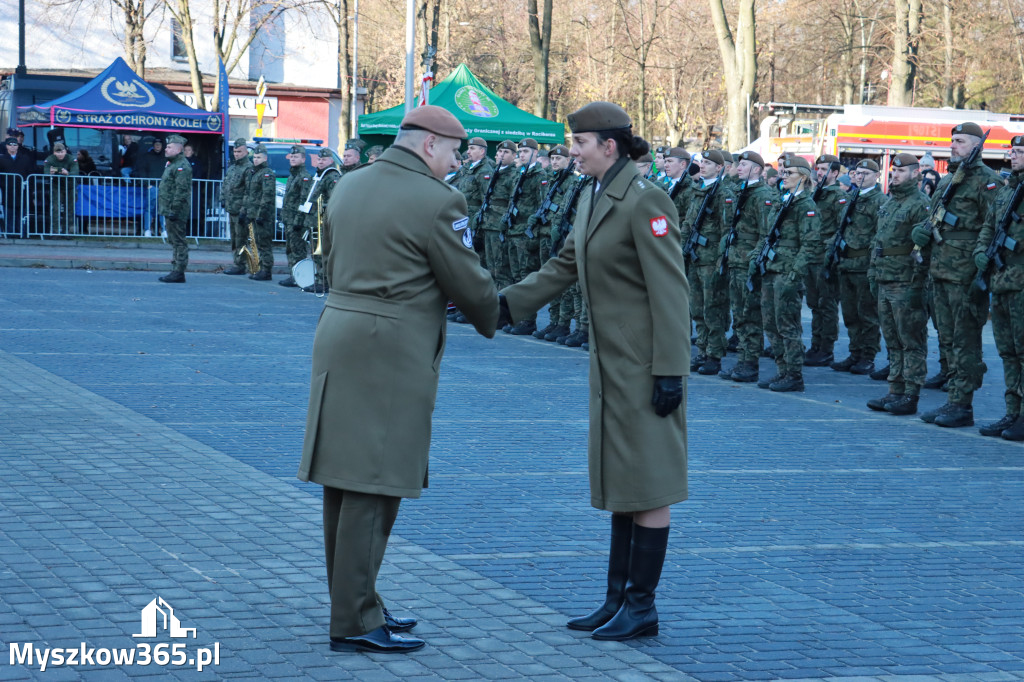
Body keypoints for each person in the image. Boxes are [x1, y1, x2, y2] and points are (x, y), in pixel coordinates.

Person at [297, 105, 499, 654]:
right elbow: (468, 280)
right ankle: (356, 620)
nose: (455, 163)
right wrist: (494, 313)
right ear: (430, 144)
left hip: (339, 331)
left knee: (343, 479)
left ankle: (358, 602)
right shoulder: (439, 201)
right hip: (389, 347)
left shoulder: (349, 184)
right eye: (454, 152)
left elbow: (335, 260)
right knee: (375, 482)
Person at [500, 101, 689, 642]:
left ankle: (641, 607)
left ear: (609, 145)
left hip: (646, 365)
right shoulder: (593, 194)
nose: (572, 152)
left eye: (579, 143)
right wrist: (507, 304)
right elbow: (565, 264)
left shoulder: (646, 200)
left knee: (649, 483)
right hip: (611, 364)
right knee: (622, 477)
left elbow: (671, 291)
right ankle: (616, 600)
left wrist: (670, 371)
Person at [911, 122, 1000, 428]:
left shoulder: (987, 182)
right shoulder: (949, 179)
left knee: (965, 341)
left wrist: (981, 267)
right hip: (941, 270)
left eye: (960, 142)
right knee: (948, 339)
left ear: (977, 146)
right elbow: (934, 220)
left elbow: (993, 227)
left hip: (965, 273)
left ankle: (963, 404)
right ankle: (953, 398)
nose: (953, 146)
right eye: (952, 141)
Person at [866, 153, 932, 415]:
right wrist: (873, 273)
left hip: (905, 280)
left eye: (901, 171)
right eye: (894, 170)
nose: (895, 174)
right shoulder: (891, 202)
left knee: (911, 339)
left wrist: (918, 285)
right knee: (892, 339)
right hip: (885, 278)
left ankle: (911, 394)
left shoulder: (920, 204)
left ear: (916, 173)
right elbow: (878, 241)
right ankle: (895, 389)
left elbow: (924, 250)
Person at [752, 155, 821, 392]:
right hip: (771, 270)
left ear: (803, 176)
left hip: (787, 273)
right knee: (770, 324)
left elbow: (810, 245)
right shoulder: (784, 201)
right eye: (783, 171)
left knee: (788, 326)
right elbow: (767, 234)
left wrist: (795, 274)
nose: (784, 175)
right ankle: (782, 371)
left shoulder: (806, 206)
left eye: (789, 172)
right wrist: (756, 259)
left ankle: (794, 374)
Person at [974, 135, 1024, 439]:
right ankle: (1012, 411)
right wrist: (981, 252)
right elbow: (988, 228)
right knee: (1007, 352)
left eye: (1020, 152)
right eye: (1013, 151)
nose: (1014, 155)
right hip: (1003, 282)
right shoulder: (1007, 193)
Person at [719, 151, 773, 383]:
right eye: (739, 164)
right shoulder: (742, 191)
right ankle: (743, 359)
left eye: (745, 165)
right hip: (736, 260)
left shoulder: (762, 195)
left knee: (750, 314)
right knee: (739, 314)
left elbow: (766, 232)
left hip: (748, 263)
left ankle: (750, 363)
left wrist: (754, 260)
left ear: (758, 170)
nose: (739, 168)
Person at [832, 159, 888, 375]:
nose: (860, 177)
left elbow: (878, 235)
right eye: (857, 173)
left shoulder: (879, 201)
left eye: (865, 173)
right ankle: (855, 353)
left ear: (876, 176)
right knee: (850, 314)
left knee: (867, 315)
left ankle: (867, 356)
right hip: (846, 264)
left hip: (864, 265)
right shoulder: (850, 198)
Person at [684, 148, 735, 376]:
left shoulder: (724, 192)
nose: (702, 166)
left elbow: (727, 230)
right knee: (697, 308)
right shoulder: (698, 188)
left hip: (711, 258)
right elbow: (688, 222)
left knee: (713, 308)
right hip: (695, 257)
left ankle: (715, 355)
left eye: (707, 163)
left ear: (719, 167)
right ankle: (703, 351)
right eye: (701, 162)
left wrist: (720, 260)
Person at [503, 137, 549, 335]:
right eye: (520, 152)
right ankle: (517, 316)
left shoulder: (540, 176)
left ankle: (528, 320)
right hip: (514, 230)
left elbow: (542, 206)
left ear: (535, 154)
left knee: (525, 276)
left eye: (525, 152)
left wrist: (534, 233)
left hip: (526, 233)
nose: (521, 155)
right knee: (515, 277)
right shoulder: (518, 175)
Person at [803, 155, 844, 367]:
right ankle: (815, 345)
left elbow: (841, 228)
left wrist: (830, 252)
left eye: (824, 169)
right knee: (814, 304)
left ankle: (826, 349)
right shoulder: (815, 194)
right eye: (817, 168)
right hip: (811, 256)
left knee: (826, 305)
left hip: (825, 258)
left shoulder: (838, 196)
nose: (819, 172)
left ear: (835, 173)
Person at [299, 149, 343, 293]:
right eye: (319, 159)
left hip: (322, 220)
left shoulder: (332, 176)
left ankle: (323, 281)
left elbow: (333, 199)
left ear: (331, 161)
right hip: (313, 220)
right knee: (315, 253)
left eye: (324, 159)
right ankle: (319, 279)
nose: (321, 162)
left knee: (323, 253)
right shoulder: (320, 176)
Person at [157, 135, 193, 283]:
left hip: (176, 210)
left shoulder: (182, 166)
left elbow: (181, 191)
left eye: (169, 147)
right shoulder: (172, 164)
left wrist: (174, 209)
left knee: (179, 241)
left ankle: (179, 271)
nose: (166, 149)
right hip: (169, 209)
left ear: (178, 149)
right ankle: (176, 269)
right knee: (174, 240)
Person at [279, 145, 313, 288]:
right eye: (291, 157)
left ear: (303, 159)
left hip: (296, 220)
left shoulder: (304, 177)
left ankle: (298, 276)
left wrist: (299, 220)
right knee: (290, 248)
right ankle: (293, 274)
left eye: (296, 156)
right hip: (289, 218)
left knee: (297, 249)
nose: (293, 159)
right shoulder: (292, 175)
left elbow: (304, 200)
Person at [241, 144, 277, 281]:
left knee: (264, 243)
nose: (255, 160)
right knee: (258, 242)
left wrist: (261, 214)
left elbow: (267, 196)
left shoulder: (267, 174)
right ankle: (262, 268)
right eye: (254, 157)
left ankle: (266, 269)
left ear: (265, 158)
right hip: (253, 213)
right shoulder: (253, 172)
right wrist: (245, 211)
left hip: (263, 215)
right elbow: (249, 194)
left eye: (259, 157)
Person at [222, 139, 255, 276]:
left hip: (241, 209)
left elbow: (249, 190)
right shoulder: (233, 167)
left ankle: (241, 264)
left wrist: (244, 210)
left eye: (239, 151)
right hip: (232, 208)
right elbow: (226, 184)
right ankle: (237, 262)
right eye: (235, 151)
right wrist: (223, 199)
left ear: (246, 152)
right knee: (235, 238)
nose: (236, 154)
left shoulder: (248, 168)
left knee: (241, 238)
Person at [0, 136, 35, 235]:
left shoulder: (25, 158)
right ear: (6, 146)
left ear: (18, 146)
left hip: (22, 190)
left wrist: (30, 189)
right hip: (7, 190)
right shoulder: (2, 159)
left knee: (22, 213)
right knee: (9, 214)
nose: (12, 147)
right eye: (10, 145)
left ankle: (22, 233)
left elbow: (31, 174)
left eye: (14, 145)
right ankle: (9, 233)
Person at [43, 142, 79, 235]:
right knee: (55, 209)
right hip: (56, 187)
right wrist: (60, 171)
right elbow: (46, 171)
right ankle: (55, 232)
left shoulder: (71, 158)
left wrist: (67, 173)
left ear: (65, 151)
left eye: (62, 152)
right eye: (57, 152)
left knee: (70, 209)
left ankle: (67, 231)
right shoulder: (50, 159)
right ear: (54, 152)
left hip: (70, 187)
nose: (60, 154)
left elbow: (75, 172)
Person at [133, 137, 166, 237]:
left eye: (159, 144)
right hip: (152, 187)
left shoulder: (166, 157)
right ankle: (147, 229)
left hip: (163, 187)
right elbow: (142, 170)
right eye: (156, 144)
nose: (157, 146)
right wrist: (147, 184)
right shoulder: (146, 156)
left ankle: (163, 230)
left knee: (163, 209)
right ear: (153, 145)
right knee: (149, 209)